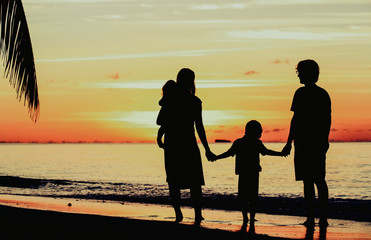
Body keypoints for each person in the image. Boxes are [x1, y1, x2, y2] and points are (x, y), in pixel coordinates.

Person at [156, 68, 215, 224]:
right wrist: (207, 149)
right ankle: (197, 214)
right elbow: (200, 128)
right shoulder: (195, 102)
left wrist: (161, 133)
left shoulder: (170, 99)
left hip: (173, 144)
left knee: (174, 181)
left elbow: (159, 121)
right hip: (188, 143)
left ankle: (178, 214)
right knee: (194, 182)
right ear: (191, 81)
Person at [210, 120, 286, 233]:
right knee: (253, 197)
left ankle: (246, 218)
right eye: (259, 131)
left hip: (243, 173)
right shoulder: (256, 143)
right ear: (254, 131)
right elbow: (267, 152)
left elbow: (228, 153)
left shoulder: (239, 142)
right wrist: (280, 154)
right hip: (253, 173)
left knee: (243, 197)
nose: (260, 133)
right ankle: (250, 218)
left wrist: (216, 157)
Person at [282, 59, 331, 228]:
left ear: (308, 73)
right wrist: (289, 142)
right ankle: (315, 218)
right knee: (313, 181)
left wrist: (324, 140)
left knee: (315, 181)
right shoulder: (309, 93)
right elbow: (296, 120)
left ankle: (318, 218)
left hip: (310, 142)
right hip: (305, 143)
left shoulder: (311, 94)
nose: (298, 76)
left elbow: (324, 120)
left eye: (300, 72)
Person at [157, 80, 177, 149]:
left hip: (170, 136)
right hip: (168, 136)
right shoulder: (167, 101)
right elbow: (160, 102)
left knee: (163, 127)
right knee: (162, 127)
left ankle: (159, 140)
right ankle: (159, 139)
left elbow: (159, 122)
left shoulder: (169, 102)